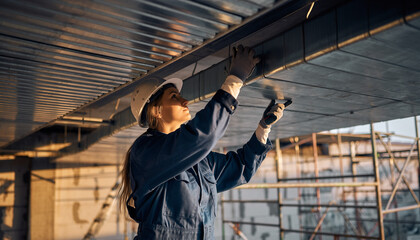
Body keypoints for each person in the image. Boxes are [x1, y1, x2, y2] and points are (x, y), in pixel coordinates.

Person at [118, 45, 285, 239]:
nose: (185, 101)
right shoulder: (145, 151)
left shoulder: (200, 161)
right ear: (156, 111)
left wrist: (263, 129)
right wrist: (234, 79)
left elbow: (241, 168)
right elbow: (201, 136)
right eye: (174, 96)